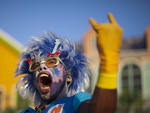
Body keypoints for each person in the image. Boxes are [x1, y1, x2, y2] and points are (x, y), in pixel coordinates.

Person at [16, 13, 122, 113]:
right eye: (35, 65)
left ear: (68, 77)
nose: (41, 67)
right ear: (33, 81)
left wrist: (108, 63)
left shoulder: (77, 101)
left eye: (52, 61)